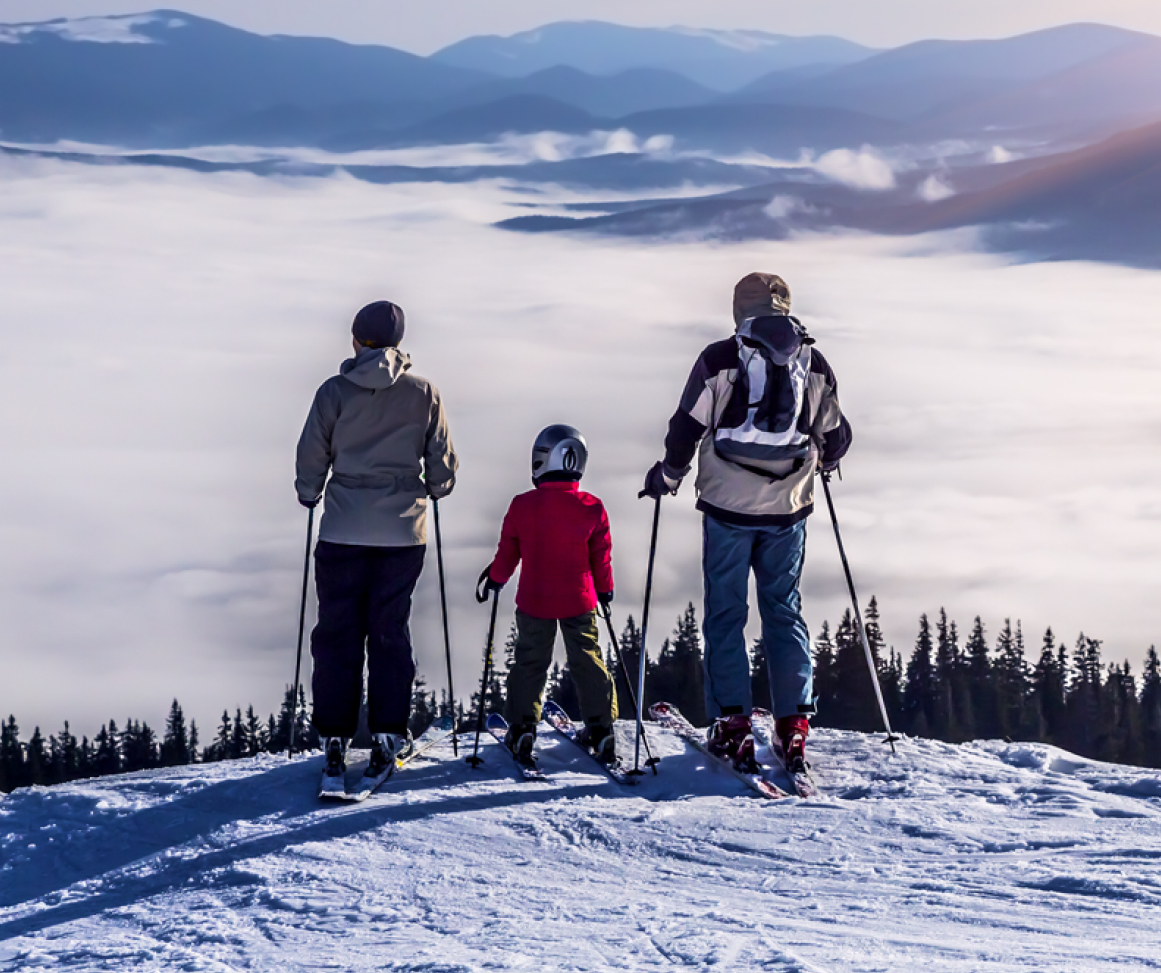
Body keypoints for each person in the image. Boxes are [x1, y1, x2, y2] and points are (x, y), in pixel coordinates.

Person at [641, 272, 850, 774]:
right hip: (789, 507)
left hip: (727, 507)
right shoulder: (813, 360)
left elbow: (685, 427)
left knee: (726, 612)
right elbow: (836, 436)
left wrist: (668, 476)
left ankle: (731, 724)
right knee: (784, 609)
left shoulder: (720, 359)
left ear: (740, 310)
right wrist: (820, 460)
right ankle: (794, 723)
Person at [294, 301, 457, 791]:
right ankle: (387, 733)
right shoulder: (423, 393)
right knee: (389, 632)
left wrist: (310, 493)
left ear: (355, 340)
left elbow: (311, 454)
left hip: (343, 528)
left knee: (337, 633)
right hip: (402, 534)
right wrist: (431, 488)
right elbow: (443, 468)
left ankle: (335, 737)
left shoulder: (334, 392)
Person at [479, 424, 620, 767]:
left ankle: (523, 728)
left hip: (534, 600)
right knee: (588, 658)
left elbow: (507, 555)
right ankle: (601, 728)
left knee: (530, 661)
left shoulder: (522, 505)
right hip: (580, 598)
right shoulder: (592, 507)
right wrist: (605, 590)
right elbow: (601, 558)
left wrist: (495, 580)